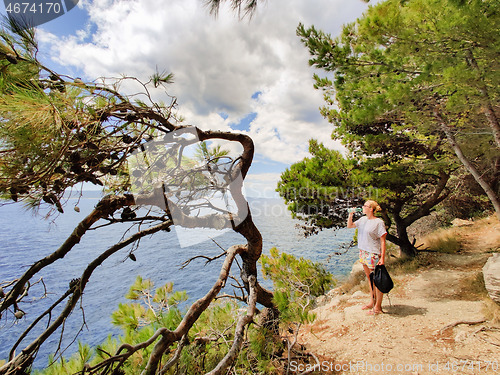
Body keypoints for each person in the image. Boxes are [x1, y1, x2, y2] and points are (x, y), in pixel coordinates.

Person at [347, 200, 387, 315]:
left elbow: (383, 241)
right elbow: (350, 226)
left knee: (377, 280)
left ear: (371, 209)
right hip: (363, 252)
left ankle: (378, 307)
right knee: (370, 280)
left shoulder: (378, 222)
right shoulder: (363, 220)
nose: (363, 207)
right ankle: (372, 302)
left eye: (365, 206)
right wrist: (351, 215)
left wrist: (382, 258)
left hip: (373, 254)